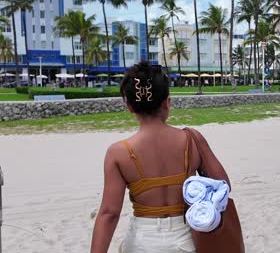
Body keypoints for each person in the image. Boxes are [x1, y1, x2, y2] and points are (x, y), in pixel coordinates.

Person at [90, 62, 230, 253]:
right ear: (167, 102)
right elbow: (223, 184)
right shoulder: (192, 140)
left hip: (141, 242)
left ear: (129, 106)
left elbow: (109, 213)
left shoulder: (118, 152)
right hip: (186, 241)